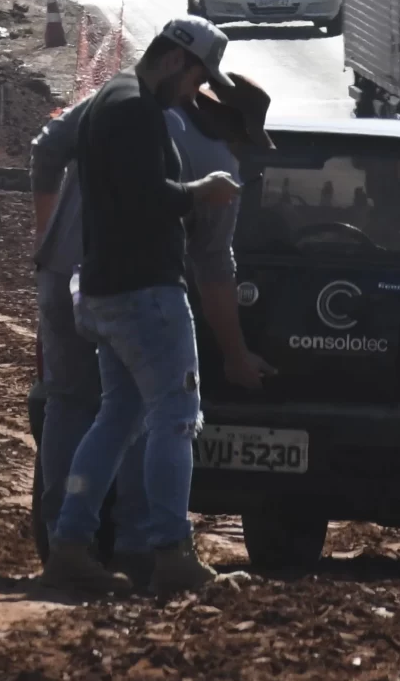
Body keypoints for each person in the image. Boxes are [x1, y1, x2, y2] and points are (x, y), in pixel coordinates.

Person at [28, 68, 275, 587]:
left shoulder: (120, 101)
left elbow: (47, 147)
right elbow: (212, 267)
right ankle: (156, 547)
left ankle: (65, 541)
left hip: (74, 278)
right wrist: (234, 352)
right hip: (145, 292)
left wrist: (48, 234)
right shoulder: (214, 162)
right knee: (173, 416)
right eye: (244, 135)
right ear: (227, 122)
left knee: (86, 409)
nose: (243, 148)